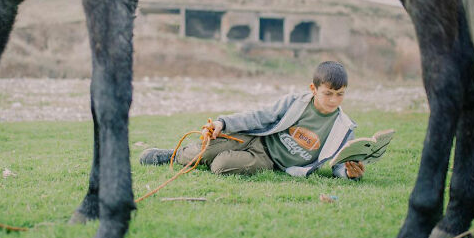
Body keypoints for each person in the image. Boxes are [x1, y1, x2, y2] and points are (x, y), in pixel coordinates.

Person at [139, 61, 366, 180]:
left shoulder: (344, 128)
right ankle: (172, 155)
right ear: (313, 89)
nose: (334, 100)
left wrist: (349, 173)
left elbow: (339, 165)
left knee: (220, 166)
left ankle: (204, 157)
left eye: (340, 94)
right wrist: (223, 124)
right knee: (207, 149)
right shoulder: (296, 102)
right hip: (257, 137)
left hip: (269, 161)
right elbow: (259, 116)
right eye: (328, 93)